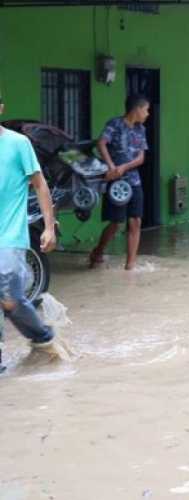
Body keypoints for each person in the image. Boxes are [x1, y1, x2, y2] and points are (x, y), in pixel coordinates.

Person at [0, 96, 58, 372]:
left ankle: (44, 337)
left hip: (9, 236)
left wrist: (48, 226)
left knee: (10, 299)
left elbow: (39, 184)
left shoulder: (18, 144)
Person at [88, 94, 149, 270]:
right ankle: (98, 252)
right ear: (137, 109)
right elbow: (101, 144)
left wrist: (124, 167)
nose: (147, 114)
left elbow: (141, 157)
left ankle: (130, 265)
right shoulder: (114, 124)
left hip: (134, 181)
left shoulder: (141, 129)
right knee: (116, 223)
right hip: (116, 183)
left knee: (135, 221)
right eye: (146, 110)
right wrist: (111, 166)